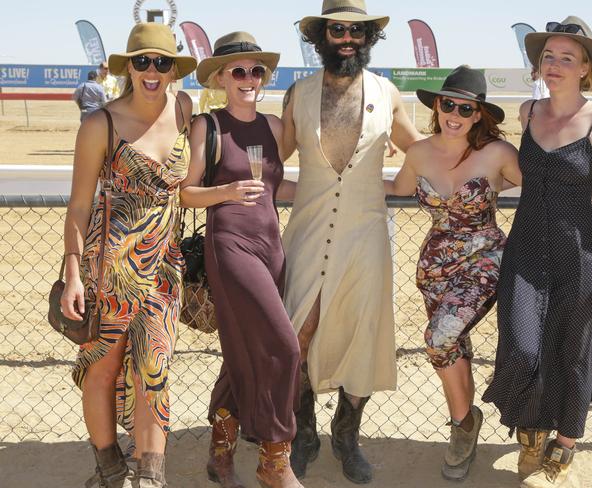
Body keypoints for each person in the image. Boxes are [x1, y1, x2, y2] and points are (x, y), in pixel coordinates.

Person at [281, 0, 423, 483]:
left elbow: (420, 151)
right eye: (337, 29)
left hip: (366, 238)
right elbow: (270, 164)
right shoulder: (297, 94)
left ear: (368, 38)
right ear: (321, 35)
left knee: (363, 336)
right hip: (307, 232)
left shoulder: (388, 93)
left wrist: (400, 186)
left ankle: (347, 434)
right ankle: (304, 434)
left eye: (356, 31)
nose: (347, 38)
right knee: (296, 334)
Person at [482, 16, 592, 488]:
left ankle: (564, 444)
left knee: (573, 351)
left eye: (568, 58)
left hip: (579, 251)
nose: (555, 65)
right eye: (548, 56)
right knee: (522, 346)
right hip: (524, 250)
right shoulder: (526, 112)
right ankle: (530, 425)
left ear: (586, 68)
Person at [61, 23, 196, 488]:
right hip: (108, 270)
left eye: (162, 62)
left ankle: (151, 476)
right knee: (103, 367)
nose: (152, 71)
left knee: (153, 370)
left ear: (174, 69)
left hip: (162, 266)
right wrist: (74, 275)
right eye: (142, 61)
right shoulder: (101, 123)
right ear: (128, 68)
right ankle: (109, 468)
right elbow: (79, 205)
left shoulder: (184, 108)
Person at [384, 65, 521, 481]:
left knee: (439, 335)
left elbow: (542, 189)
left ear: (479, 114)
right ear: (437, 106)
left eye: (466, 107)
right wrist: (342, 185)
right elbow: (398, 191)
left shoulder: (498, 153)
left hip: (484, 257)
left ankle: (464, 425)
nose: (455, 113)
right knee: (450, 345)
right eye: (449, 104)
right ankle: (463, 425)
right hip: (434, 265)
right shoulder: (419, 152)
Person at [180, 32, 303, 488]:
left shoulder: (272, 127)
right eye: (238, 71)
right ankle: (274, 461)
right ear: (219, 79)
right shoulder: (207, 126)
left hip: (271, 246)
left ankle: (220, 452)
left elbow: (274, 189)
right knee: (284, 347)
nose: (248, 78)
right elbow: (186, 193)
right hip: (229, 244)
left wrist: (326, 192)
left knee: (241, 349)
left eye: (256, 71)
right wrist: (227, 192)